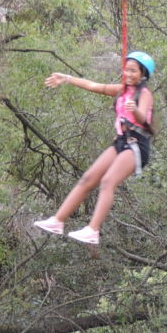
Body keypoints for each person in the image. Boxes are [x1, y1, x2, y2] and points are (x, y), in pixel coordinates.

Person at [32, 51, 156, 246]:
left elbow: (143, 119)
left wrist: (135, 111)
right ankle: (58, 221)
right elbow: (94, 86)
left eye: (133, 71)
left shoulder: (144, 94)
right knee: (88, 178)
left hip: (136, 145)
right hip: (121, 142)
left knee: (108, 181)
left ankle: (93, 230)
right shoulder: (121, 90)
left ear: (143, 74)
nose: (129, 74)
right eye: (127, 70)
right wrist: (68, 78)